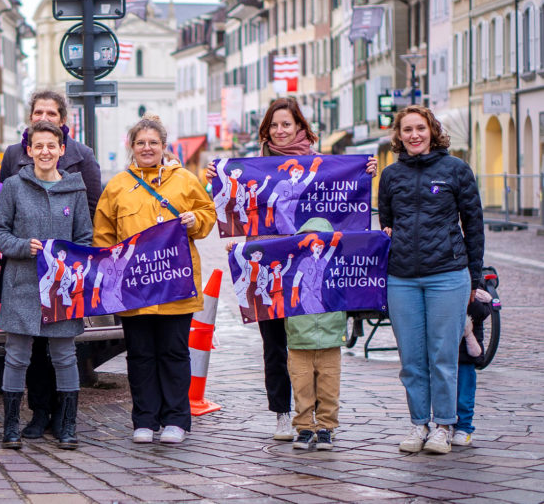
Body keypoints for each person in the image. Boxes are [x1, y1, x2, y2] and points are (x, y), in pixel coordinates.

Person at [206, 97, 376, 441]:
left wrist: (364, 173)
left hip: (312, 263)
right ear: (266, 130)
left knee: (315, 342)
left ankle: (319, 417)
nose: (280, 131)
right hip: (269, 262)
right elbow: (236, 207)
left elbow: (344, 208)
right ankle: (285, 414)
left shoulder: (323, 166)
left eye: (287, 124)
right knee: (274, 343)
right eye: (274, 125)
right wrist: (216, 178)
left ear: (300, 126)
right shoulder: (254, 167)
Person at [93, 114, 216, 444]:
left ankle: (176, 419)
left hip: (176, 285)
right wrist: (111, 271)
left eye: (153, 143)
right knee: (140, 354)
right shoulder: (118, 186)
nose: (147, 148)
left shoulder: (185, 180)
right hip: (134, 287)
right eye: (141, 143)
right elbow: (103, 234)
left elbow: (208, 216)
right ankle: (144, 419)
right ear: (131, 147)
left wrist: (195, 220)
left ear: (164, 146)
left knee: (174, 352)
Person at [378, 105, 484, 454]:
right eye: (407, 130)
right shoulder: (391, 176)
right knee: (411, 358)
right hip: (402, 278)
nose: (414, 135)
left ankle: (444, 426)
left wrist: (475, 275)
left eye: (420, 128)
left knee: (442, 355)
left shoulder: (456, 170)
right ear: (399, 135)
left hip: (448, 276)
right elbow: (388, 223)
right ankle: (418, 424)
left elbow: (474, 223)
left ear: (432, 130)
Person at [0, 90, 101, 440]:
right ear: (28, 150)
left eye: (51, 146)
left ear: (61, 150)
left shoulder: (74, 190)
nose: (44, 152)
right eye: (38, 146)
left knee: (64, 356)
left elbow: (86, 239)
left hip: (61, 288)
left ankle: (68, 425)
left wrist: (70, 262)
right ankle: (11, 424)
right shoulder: (13, 186)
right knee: (16, 356)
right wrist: (20, 246)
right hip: (21, 282)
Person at [282, 217, 346, 451]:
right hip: (299, 337)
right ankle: (305, 426)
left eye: (321, 242)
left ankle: (326, 427)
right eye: (311, 241)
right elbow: (291, 277)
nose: (316, 246)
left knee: (329, 386)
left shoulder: (338, 265)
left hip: (330, 336)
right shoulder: (299, 264)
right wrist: (237, 250)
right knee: (302, 386)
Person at [453, 287, 493, 448]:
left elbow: (481, 312)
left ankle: (464, 427)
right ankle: (445, 424)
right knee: (444, 391)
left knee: (464, 394)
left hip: (465, 353)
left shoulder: (475, 291)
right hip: (444, 351)